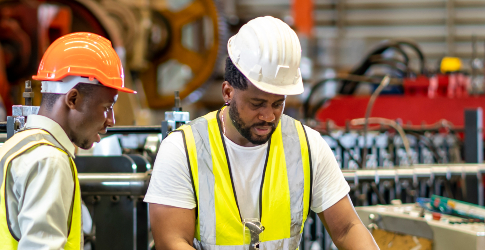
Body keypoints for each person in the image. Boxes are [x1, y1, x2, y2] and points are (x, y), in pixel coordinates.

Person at [146, 17, 379, 249]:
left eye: (278, 104)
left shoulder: (306, 145)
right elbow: (172, 242)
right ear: (228, 92)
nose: (268, 116)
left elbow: (348, 228)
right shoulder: (183, 150)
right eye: (257, 104)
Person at [0, 32, 134, 249]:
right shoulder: (49, 160)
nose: (111, 121)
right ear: (73, 99)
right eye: (107, 108)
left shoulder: (14, 148)